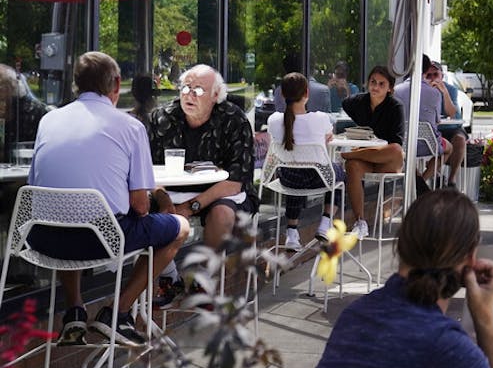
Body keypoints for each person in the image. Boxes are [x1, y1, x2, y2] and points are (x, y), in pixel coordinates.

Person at [298, 189, 493, 368]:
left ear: (400, 246)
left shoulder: (356, 314)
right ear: (470, 258)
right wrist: (485, 319)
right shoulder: (445, 346)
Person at [27, 51, 190, 347]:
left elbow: (36, 187)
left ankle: (75, 310)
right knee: (180, 228)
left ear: (76, 84)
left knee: (70, 212)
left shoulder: (48, 121)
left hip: (42, 239)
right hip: (101, 241)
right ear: (116, 84)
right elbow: (140, 206)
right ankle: (118, 312)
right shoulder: (130, 127)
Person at [148, 64, 257, 304]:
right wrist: (164, 199)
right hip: (172, 191)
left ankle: (203, 280)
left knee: (221, 213)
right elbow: (147, 172)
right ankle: (170, 278)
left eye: (198, 90)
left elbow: (236, 181)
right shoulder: (162, 118)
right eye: (185, 87)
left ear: (215, 96)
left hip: (222, 192)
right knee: (147, 211)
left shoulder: (233, 119)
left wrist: (190, 207)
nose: (188, 94)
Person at [266, 72, 337, 250]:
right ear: (307, 93)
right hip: (317, 179)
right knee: (339, 174)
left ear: (282, 94)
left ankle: (291, 233)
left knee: (294, 169)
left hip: (288, 179)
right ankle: (325, 223)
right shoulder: (321, 119)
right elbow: (329, 136)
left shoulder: (274, 120)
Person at [341, 64, 407, 239]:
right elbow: (345, 103)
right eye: (373, 82)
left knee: (396, 149)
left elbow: (397, 143)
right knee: (352, 165)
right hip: (368, 160)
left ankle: (354, 153)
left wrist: (360, 150)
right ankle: (360, 222)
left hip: (387, 161)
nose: (376, 87)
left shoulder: (395, 107)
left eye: (381, 84)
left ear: (390, 89)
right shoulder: (360, 101)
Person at [393, 55, 452, 187]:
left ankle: (417, 181)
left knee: (406, 155)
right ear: (426, 69)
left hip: (403, 144)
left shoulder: (397, 90)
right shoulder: (434, 92)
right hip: (428, 144)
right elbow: (436, 121)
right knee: (449, 148)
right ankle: (422, 181)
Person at [429, 61, 468, 187]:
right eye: (429, 75)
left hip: (450, 127)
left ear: (442, 76)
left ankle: (451, 180)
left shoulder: (450, 90)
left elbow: (452, 113)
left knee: (460, 139)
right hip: (432, 129)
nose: (433, 78)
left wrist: (444, 93)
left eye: (436, 74)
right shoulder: (422, 90)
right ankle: (435, 176)